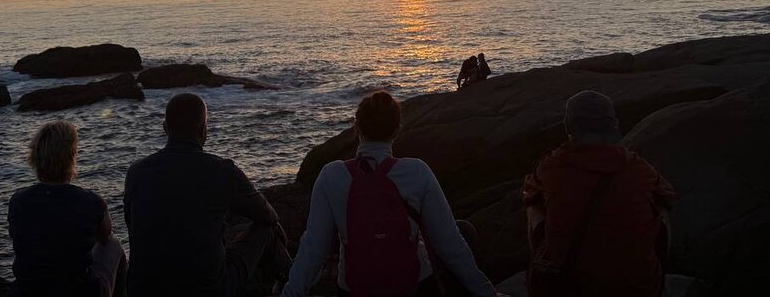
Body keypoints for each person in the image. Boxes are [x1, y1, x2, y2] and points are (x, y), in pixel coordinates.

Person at [282, 92, 499, 297]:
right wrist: (487, 292)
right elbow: (450, 243)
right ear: (396, 130)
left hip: (354, 290)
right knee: (464, 231)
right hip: (415, 287)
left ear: (357, 128)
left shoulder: (331, 175)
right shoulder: (417, 172)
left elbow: (313, 250)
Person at [124, 93, 291, 297]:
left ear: (165, 129)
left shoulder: (136, 172)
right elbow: (268, 216)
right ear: (204, 130)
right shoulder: (222, 171)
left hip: (143, 289)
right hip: (210, 289)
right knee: (266, 230)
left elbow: (132, 224)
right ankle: (294, 284)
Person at [522, 91, 675, 297]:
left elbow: (529, 194)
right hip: (641, 289)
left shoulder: (551, 167)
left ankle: (546, 261)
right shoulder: (641, 169)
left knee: (533, 203)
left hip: (567, 287)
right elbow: (667, 198)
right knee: (661, 204)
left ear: (567, 127)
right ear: (615, 124)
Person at [9, 121, 126, 296]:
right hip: (78, 292)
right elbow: (104, 235)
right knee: (112, 244)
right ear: (72, 157)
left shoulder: (18, 201)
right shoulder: (91, 202)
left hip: (27, 292)